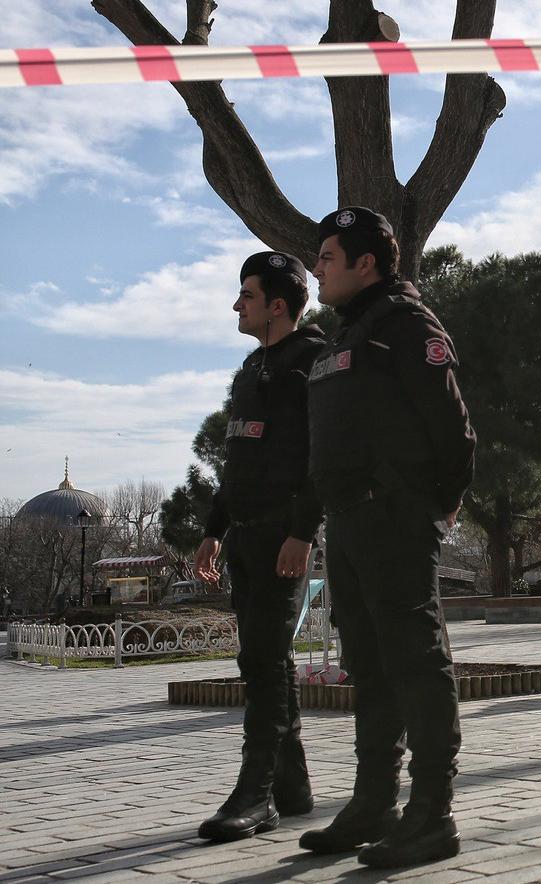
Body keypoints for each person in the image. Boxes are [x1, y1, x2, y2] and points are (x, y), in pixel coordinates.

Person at [300, 206, 476, 869]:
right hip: (347, 521)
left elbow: (455, 429)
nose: (317, 268)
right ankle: (373, 801)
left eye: (327, 257)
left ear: (365, 263)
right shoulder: (348, 334)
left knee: (414, 661)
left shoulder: (406, 326)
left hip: (396, 518)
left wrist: (436, 508)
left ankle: (431, 813)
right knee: (369, 666)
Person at [192, 251, 326, 843]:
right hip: (245, 534)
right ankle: (292, 787)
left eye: (246, 295)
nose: (236, 305)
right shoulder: (252, 368)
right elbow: (236, 459)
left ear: (279, 304)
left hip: (282, 536)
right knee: (261, 660)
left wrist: (303, 531)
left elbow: (322, 458)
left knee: (266, 662)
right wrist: (213, 530)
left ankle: (257, 795)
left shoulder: (312, 365)